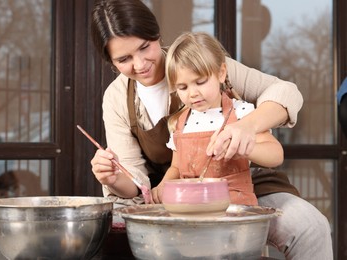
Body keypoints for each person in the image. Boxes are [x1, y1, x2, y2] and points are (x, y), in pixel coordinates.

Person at [89, 0, 333, 259]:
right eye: (124, 59)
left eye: (144, 48)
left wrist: (245, 128)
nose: (140, 65)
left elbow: (287, 93)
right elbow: (137, 184)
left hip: (244, 186)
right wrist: (113, 177)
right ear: (112, 62)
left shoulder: (198, 59)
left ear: (156, 35)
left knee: (311, 227)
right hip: (176, 195)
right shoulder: (116, 97)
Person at [152, 32, 284, 206]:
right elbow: (176, 167)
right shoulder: (180, 123)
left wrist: (245, 148)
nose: (193, 93)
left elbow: (276, 155)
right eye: (182, 87)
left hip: (235, 209)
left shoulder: (241, 114)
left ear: (221, 73)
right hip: (191, 209)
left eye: (200, 82)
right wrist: (163, 185)